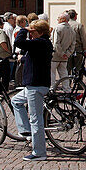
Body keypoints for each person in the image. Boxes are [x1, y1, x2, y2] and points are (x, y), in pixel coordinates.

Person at [12, 18, 54, 161]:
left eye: (32, 31)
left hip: (36, 85)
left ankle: (39, 152)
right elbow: (34, 57)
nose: (30, 34)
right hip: (36, 84)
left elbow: (19, 42)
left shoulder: (40, 42)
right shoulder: (43, 43)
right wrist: (22, 59)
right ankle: (26, 131)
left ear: (38, 32)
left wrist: (24, 30)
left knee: (36, 120)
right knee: (16, 101)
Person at [50, 13, 76, 86]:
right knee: (64, 74)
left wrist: (61, 54)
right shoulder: (72, 30)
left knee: (52, 74)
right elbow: (73, 45)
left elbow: (56, 43)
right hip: (65, 57)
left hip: (55, 56)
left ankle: (52, 89)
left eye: (58, 18)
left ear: (63, 19)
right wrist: (67, 54)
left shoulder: (57, 28)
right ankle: (67, 89)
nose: (57, 19)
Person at [65, 9, 86, 76]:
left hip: (67, 49)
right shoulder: (79, 25)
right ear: (75, 16)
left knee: (67, 68)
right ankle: (79, 84)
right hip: (77, 49)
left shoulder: (66, 25)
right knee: (78, 68)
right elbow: (83, 38)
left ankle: (67, 84)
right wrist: (85, 49)